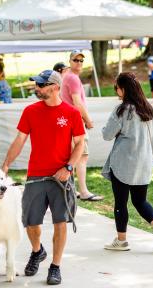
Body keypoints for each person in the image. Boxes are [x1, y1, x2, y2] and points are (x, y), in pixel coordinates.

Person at [1, 70, 84, 286]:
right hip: (36, 175)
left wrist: (68, 167)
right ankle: (37, 251)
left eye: (41, 85)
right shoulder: (30, 111)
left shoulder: (72, 113)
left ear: (55, 87)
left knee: (60, 223)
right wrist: (6, 164)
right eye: (36, 85)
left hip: (61, 178)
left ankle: (55, 266)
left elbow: (80, 144)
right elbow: (19, 140)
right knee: (31, 223)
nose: (37, 88)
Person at [102, 72, 153, 253]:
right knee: (140, 201)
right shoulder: (147, 109)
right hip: (144, 161)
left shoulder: (122, 110)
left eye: (116, 87)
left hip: (124, 162)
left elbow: (106, 134)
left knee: (121, 203)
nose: (116, 91)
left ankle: (121, 240)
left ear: (123, 89)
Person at [61, 50, 103, 202]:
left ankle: (71, 190)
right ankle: (83, 191)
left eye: (81, 60)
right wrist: (88, 120)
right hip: (76, 123)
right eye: (75, 60)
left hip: (69, 122)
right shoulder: (72, 78)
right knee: (82, 157)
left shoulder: (67, 77)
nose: (78, 63)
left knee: (73, 157)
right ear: (70, 61)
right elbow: (77, 103)